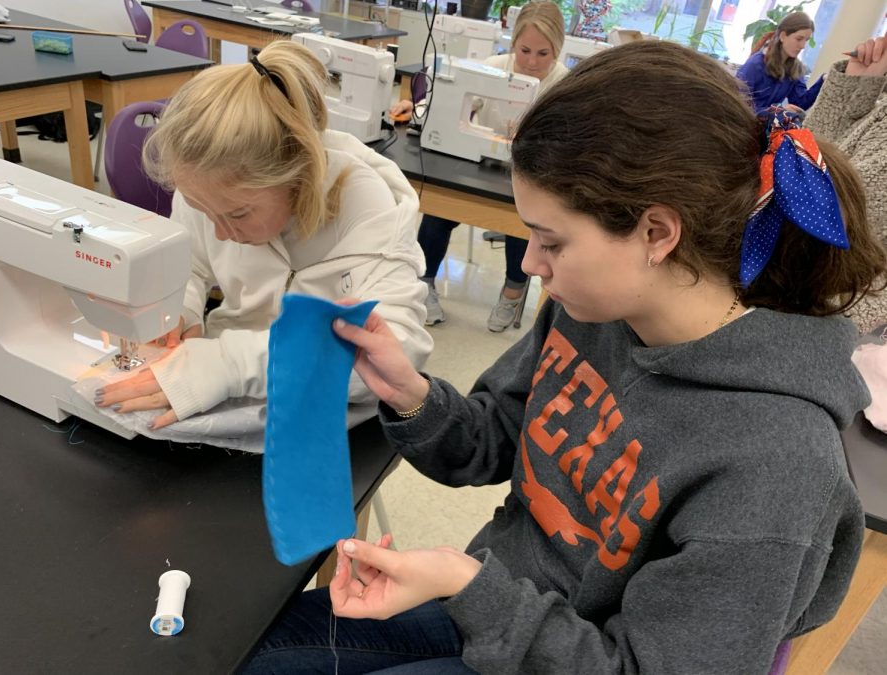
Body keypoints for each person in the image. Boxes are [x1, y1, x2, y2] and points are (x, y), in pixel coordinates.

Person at [241, 41, 886, 673]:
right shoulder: (591, 312)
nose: (529, 264)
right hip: (497, 613)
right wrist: (411, 393)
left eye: (551, 241)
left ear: (656, 233)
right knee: (249, 650)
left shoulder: (775, 464)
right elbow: (496, 440)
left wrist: (467, 583)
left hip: (550, 646)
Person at [93, 40, 433, 430]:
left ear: (299, 177)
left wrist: (230, 364)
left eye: (238, 214)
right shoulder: (210, 187)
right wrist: (178, 309)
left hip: (319, 410)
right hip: (219, 375)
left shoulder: (370, 214)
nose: (221, 232)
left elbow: (397, 353)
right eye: (205, 212)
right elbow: (187, 262)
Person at [390, 1, 569, 332]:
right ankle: (425, 282)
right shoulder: (493, 66)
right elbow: (449, 97)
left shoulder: (566, 86)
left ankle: (513, 292)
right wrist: (416, 107)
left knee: (523, 218)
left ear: (557, 49)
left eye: (543, 54)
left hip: (530, 176)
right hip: (477, 163)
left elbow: (573, 142)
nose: (531, 62)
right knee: (439, 208)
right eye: (524, 50)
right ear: (513, 43)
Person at [805, 30, 887, 332]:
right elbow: (807, 154)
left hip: (833, 317)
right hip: (814, 293)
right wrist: (855, 83)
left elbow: (823, 209)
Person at [737, 11, 823, 116]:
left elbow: (800, 103)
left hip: (767, 128)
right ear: (782, 36)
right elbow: (739, 105)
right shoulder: (755, 65)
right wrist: (777, 110)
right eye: (799, 39)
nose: (803, 46)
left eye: (806, 40)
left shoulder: (795, 69)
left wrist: (822, 80)